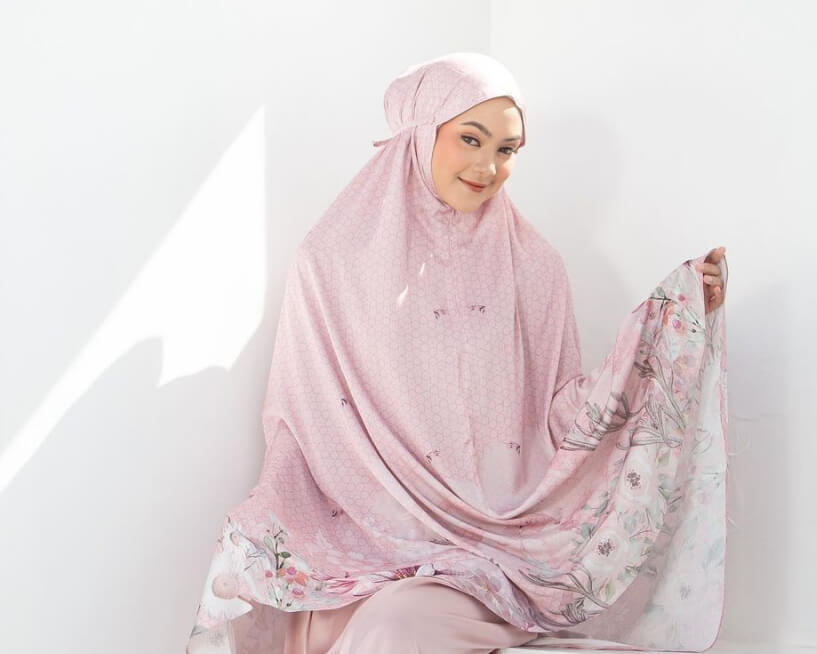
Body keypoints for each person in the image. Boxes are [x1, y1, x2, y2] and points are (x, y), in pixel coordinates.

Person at [186, 52, 729, 654]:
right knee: (319, 621)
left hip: (496, 549)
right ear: (420, 134)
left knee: (394, 632)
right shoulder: (331, 263)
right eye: (471, 138)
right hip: (361, 540)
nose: (488, 166)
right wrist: (275, 511)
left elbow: (560, 415)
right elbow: (301, 420)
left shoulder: (535, 267)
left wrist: (667, 324)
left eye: (507, 149)